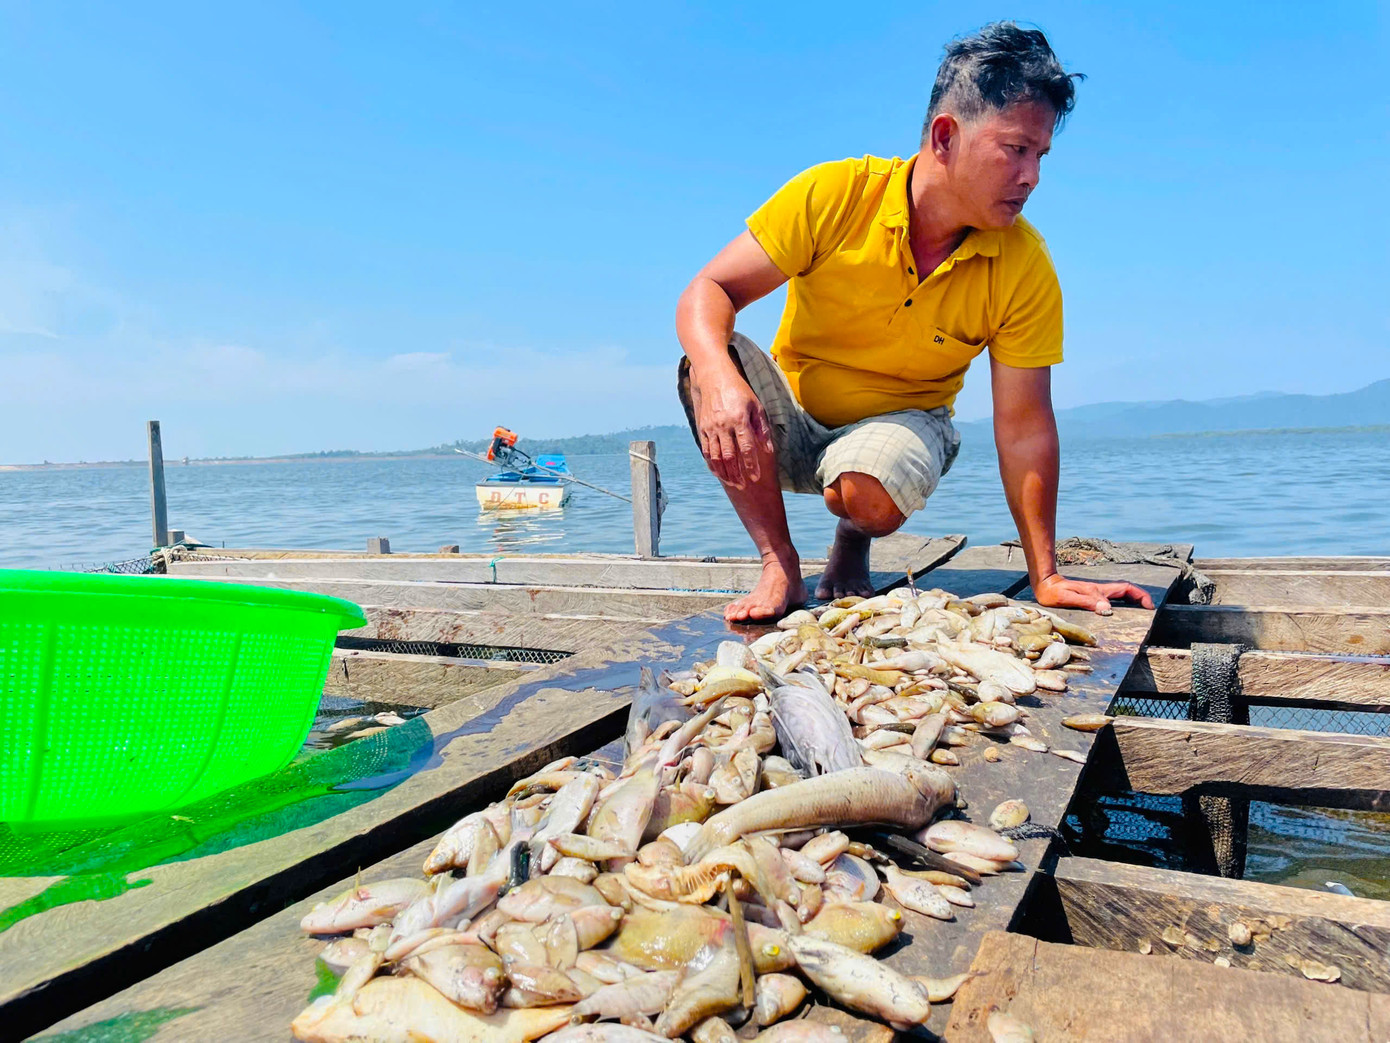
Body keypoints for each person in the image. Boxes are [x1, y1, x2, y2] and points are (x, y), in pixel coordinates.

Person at [676, 21, 1154, 623]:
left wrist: (1047, 576)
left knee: (864, 493)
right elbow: (708, 289)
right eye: (1017, 149)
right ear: (946, 135)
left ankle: (853, 536)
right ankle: (780, 565)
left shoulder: (1024, 265)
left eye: (1042, 155)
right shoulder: (835, 194)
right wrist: (720, 377)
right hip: (790, 423)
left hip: (901, 430)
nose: (1033, 175)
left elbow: (1024, 427)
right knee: (705, 363)